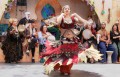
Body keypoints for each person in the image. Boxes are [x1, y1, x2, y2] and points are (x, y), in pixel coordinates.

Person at [41, 5, 102, 75]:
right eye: (65, 9)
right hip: (64, 41)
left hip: (72, 40)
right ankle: (63, 69)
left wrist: (76, 15)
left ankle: (66, 69)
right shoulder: (61, 18)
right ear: (63, 10)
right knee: (63, 56)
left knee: (71, 56)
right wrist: (61, 14)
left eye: (68, 9)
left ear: (70, 10)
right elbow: (58, 21)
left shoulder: (73, 18)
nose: (67, 10)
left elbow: (84, 22)